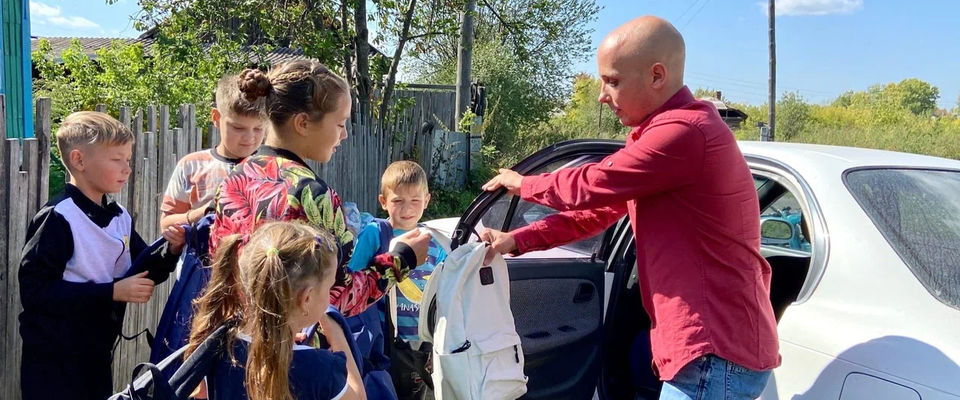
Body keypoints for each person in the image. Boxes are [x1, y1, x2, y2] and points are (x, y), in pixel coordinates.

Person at [480, 16, 780, 400]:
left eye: (613, 81)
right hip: (713, 351)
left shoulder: (684, 133)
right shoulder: (670, 134)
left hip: (713, 353)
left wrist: (525, 184)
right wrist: (516, 240)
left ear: (657, 76)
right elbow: (598, 212)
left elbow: (593, 183)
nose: (602, 95)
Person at [209, 60, 431, 318]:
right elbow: (336, 299)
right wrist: (401, 259)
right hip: (289, 338)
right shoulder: (311, 195)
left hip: (236, 330)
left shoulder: (235, 178)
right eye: (340, 124)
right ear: (303, 123)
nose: (344, 135)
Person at [18, 111, 184, 400]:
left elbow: (141, 271)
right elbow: (36, 293)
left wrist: (170, 251)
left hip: (96, 355)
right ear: (79, 160)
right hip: (54, 361)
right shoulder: (59, 217)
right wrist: (111, 292)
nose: (127, 169)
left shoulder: (118, 216)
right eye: (116, 159)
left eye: (128, 159)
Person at [187, 221, 363, 400]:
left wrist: (278, 338)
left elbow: (201, 392)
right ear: (307, 298)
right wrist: (335, 331)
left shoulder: (217, 346)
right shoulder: (322, 369)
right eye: (329, 288)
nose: (330, 296)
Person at [348, 161, 447, 400]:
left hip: (422, 341)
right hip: (383, 340)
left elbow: (444, 292)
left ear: (427, 200)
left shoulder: (435, 241)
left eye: (415, 200)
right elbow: (352, 280)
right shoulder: (376, 234)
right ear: (383, 202)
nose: (407, 208)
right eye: (398, 200)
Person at [160, 73, 266, 230]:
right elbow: (166, 224)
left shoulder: (271, 168)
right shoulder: (191, 165)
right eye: (238, 128)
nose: (249, 137)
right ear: (216, 118)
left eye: (258, 128)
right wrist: (205, 211)